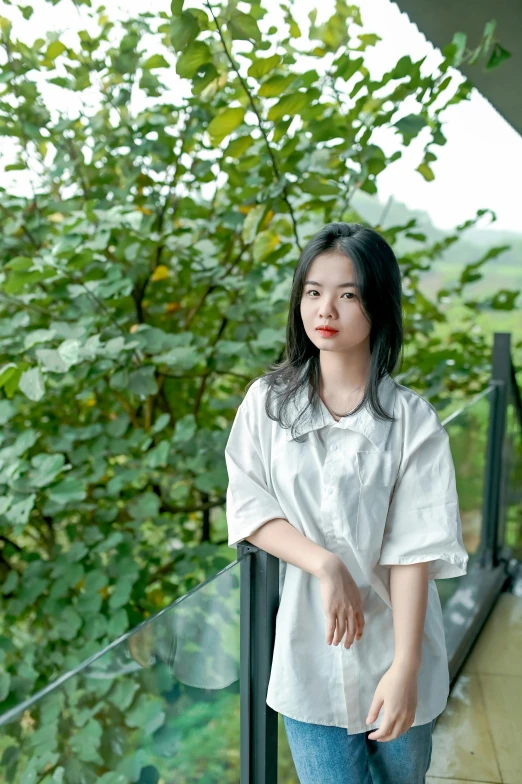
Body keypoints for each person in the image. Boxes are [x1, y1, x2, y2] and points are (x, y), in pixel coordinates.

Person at [224, 222, 469, 784]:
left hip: (396, 643)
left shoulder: (413, 422)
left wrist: (405, 667)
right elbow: (248, 501)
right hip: (308, 650)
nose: (325, 308)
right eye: (313, 291)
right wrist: (323, 563)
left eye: (348, 293)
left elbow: (414, 551)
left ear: (378, 304)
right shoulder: (268, 404)